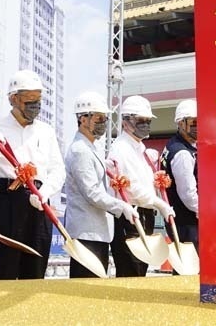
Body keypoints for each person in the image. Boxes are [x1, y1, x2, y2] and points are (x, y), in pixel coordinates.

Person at [0, 70, 64, 280]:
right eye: (29, 99)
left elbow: (58, 169)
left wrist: (45, 192)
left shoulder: (46, 131)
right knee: (3, 266)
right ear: (13, 98)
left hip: (38, 201)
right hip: (6, 201)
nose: (35, 104)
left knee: (35, 267)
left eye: (38, 99)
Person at [63, 90, 137, 278]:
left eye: (104, 117)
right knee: (86, 289)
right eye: (98, 117)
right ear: (83, 119)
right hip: (86, 233)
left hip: (96, 232)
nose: (103, 122)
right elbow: (92, 193)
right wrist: (121, 206)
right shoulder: (80, 150)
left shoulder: (90, 147)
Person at [107, 95, 174, 277]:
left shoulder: (141, 148)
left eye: (147, 121)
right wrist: (160, 204)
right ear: (125, 122)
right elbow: (131, 187)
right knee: (131, 268)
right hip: (130, 217)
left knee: (141, 268)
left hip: (145, 215)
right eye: (140, 121)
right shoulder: (120, 149)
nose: (144, 125)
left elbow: (146, 184)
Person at [161, 98, 198, 250]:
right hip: (187, 223)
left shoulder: (174, 144)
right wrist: (207, 212)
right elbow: (188, 195)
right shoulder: (182, 153)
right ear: (181, 123)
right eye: (193, 122)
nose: (197, 126)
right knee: (191, 269)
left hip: (180, 220)